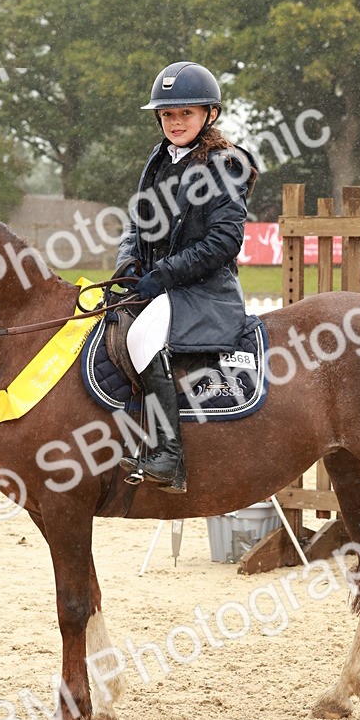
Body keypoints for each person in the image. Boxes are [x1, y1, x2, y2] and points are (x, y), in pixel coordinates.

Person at [116, 60, 257, 493]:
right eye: (168, 114)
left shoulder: (224, 165)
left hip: (204, 291)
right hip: (162, 285)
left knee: (141, 339)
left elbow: (223, 243)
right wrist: (128, 264)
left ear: (209, 115)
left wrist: (164, 274)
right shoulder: (159, 160)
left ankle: (167, 454)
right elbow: (137, 224)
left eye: (186, 113)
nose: (175, 122)